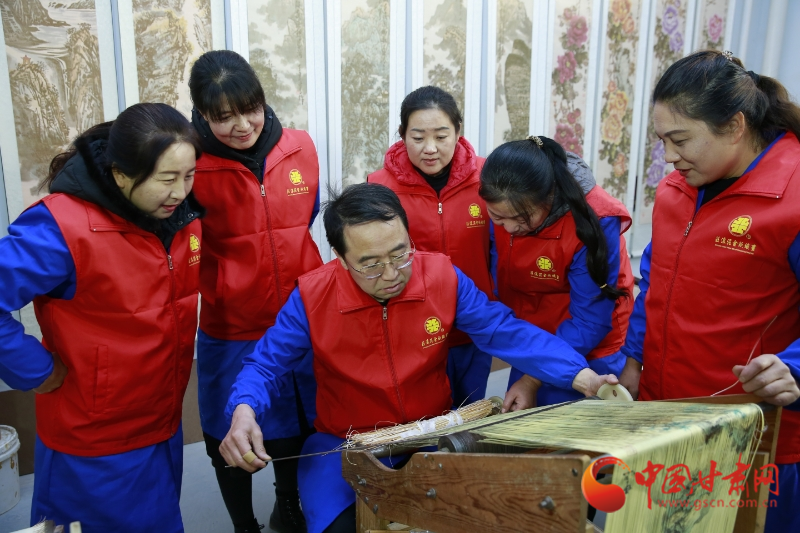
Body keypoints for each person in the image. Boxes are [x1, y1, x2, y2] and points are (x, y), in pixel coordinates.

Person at [218, 183, 620, 533]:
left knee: (475, 513)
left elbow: (504, 331)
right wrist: (244, 410)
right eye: (370, 265)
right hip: (345, 441)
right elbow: (265, 364)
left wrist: (580, 375)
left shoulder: (442, 276)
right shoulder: (311, 296)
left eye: (400, 254)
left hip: (433, 434)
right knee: (340, 525)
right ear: (340, 257)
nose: (391, 274)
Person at [616, 50, 800, 532]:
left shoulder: (794, 197)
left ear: (735, 126)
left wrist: (794, 367)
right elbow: (656, 283)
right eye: (662, 141)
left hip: (753, 432)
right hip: (664, 422)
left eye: (680, 140)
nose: (668, 157)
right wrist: (633, 360)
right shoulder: (676, 190)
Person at [0, 103, 203, 532]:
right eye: (167, 178)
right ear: (121, 174)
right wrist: (35, 370)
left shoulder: (180, 218)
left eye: (189, 176)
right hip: (94, 440)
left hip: (160, 424)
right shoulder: (63, 227)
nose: (180, 192)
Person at [188, 50, 322, 533]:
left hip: (299, 317)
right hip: (231, 324)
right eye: (224, 117)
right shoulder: (191, 165)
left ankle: (287, 502)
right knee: (229, 434)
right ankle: (243, 525)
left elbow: (306, 217)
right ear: (202, 114)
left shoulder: (300, 147)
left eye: (251, 109)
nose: (242, 125)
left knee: (299, 424)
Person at [478, 137, 633, 410]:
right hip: (534, 340)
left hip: (587, 347)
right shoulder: (502, 201)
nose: (509, 228)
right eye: (497, 218)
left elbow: (590, 321)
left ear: (548, 199)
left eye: (522, 219)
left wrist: (532, 379)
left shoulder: (595, 220)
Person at [368, 86, 493, 407]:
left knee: (471, 413)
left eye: (441, 136)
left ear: (458, 131)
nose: (430, 148)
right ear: (402, 135)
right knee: (425, 419)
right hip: (413, 329)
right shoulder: (379, 187)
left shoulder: (488, 178)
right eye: (418, 137)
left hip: (474, 324)